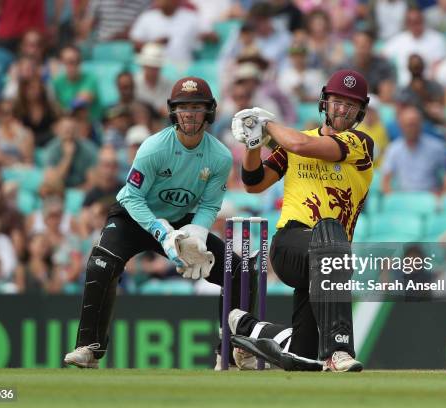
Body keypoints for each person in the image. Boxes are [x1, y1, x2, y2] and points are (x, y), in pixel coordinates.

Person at [64, 77, 252, 369]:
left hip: (182, 221)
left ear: (209, 112)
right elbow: (133, 196)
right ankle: (89, 347)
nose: (190, 114)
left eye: (197, 107)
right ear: (173, 112)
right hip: (136, 216)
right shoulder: (153, 148)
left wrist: (197, 233)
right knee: (101, 264)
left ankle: (228, 350)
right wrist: (159, 231)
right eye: (184, 107)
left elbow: (210, 204)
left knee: (236, 270)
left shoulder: (220, 157)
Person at [228, 69, 374, 372]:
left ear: (361, 111)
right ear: (325, 102)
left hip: (328, 262)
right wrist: (253, 143)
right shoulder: (295, 142)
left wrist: (266, 124)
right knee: (331, 241)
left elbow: (302, 147)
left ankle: (245, 326)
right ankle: (339, 351)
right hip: (291, 246)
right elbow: (253, 183)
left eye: (351, 104)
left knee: (302, 355)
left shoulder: (361, 144)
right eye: (337, 101)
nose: (343, 109)